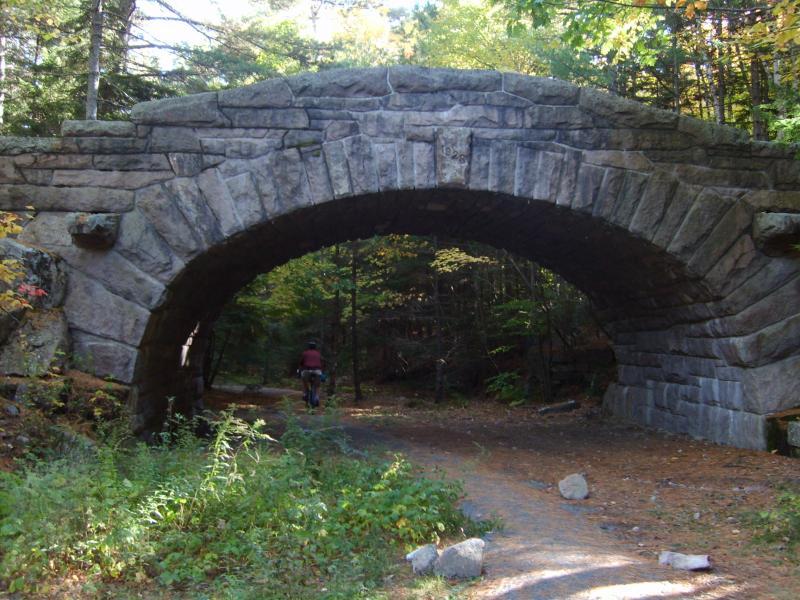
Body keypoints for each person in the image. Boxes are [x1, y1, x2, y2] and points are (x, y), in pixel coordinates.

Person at [299, 341, 323, 408]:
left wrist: (300, 368)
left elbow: (301, 362)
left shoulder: (305, 353)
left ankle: (305, 394)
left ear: (308, 347)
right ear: (315, 347)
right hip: (317, 371)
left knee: (304, 381)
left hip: (307, 370)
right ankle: (317, 397)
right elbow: (321, 362)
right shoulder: (318, 353)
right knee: (317, 385)